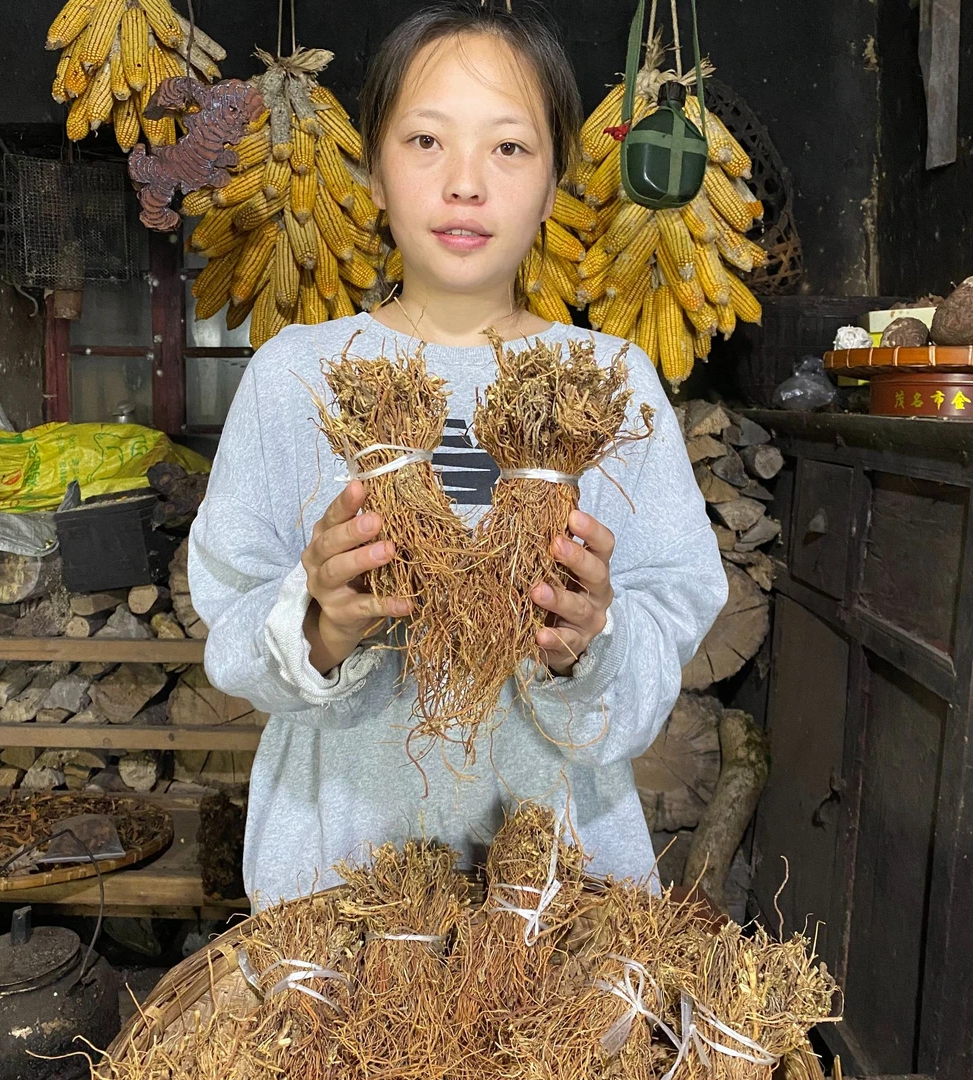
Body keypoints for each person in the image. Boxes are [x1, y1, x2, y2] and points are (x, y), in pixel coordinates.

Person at [188, 0, 728, 913]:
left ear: (556, 182)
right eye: (426, 141)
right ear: (371, 170)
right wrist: (319, 623)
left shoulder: (611, 386)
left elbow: (657, 655)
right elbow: (233, 635)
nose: (466, 184)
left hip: (562, 884)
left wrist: (586, 642)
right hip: (337, 876)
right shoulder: (298, 378)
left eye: (509, 148)